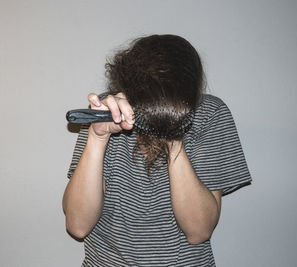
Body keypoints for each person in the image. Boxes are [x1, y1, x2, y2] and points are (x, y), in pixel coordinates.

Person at [63, 34, 252, 266]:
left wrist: (172, 136)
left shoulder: (210, 114)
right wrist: (97, 137)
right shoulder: (105, 111)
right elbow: (78, 225)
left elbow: (198, 231)